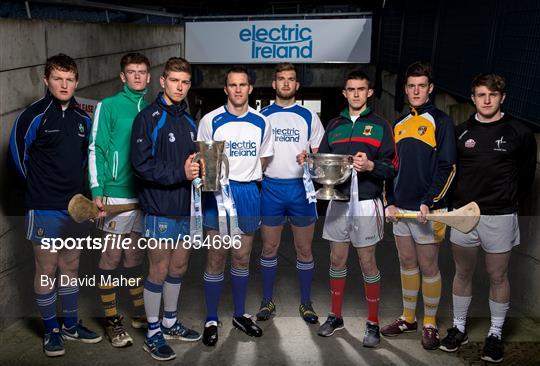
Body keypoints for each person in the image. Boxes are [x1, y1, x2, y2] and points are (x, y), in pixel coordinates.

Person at [8, 54, 102, 357]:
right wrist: (38, 192)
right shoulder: (33, 116)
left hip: (75, 208)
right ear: (46, 80)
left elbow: (89, 163)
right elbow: (16, 159)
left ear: (76, 82)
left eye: (70, 79)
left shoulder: (83, 119)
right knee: (46, 269)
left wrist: (86, 198)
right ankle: (51, 331)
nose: (64, 84)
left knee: (71, 266)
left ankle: (71, 325)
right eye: (58, 78)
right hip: (44, 207)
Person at [439, 74, 536, 363]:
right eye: (481, 95)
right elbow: (450, 174)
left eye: (492, 95)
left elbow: (527, 177)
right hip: (464, 217)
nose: (486, 100)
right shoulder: (460, 132)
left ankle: (494, 334)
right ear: (473, 97)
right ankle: (459, 328)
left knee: (498, 275)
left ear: (502, 97)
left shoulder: (520, 132)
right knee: (463, 273)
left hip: (500, 216)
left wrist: (508, 203)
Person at [297, 70, 397, 347]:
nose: (355, 93)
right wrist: (309, 160)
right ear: (344, 93)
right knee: (336, 260)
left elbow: (392, 167)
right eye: (350, 89)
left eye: (360, 89)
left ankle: (373, 323)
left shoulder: (381, 126)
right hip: (338, 201)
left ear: (369, 92)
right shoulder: (334, 125)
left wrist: (371, 166)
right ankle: (335, 316)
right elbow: (323, 164)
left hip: (366, 202)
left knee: (367, 262)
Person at [131, 57, 201, 361]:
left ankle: (171, 322)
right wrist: (179, 173)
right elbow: (141, 165)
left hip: (185, 208)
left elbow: (193, 166)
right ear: (162, 81)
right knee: (158, 269)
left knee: (179, 267)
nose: (180, 87)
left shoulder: (189, 121)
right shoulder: (148, 117)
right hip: (159, 207)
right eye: (175, 80)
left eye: (185, 82)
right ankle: (153, 331)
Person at [382, 61, 456, 350]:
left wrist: (431, 201)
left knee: (428, 265)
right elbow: (391, 167)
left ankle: (429, 324)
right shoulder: (399, 124)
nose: (415, 90)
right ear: (405, 89)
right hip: (402, 210)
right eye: (411, 86)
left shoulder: (441, 121)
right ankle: (409, 318)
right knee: (407, 263)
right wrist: (390, 202)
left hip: (429, 210)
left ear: (430, 88)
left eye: (421, 86)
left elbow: (447, 166)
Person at [197, 66, 274, 347]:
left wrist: (246, 177)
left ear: (250, 89)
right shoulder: (210, 120)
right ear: (226, 89)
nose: (238, 89)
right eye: (233, 85)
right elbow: (205, 163)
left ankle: (240, 315)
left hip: (248, 193)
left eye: (243, 84)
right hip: (218, 194)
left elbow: (264, 159)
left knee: (242, 258)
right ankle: (211, 318)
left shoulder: (261, 122)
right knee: (216, 258)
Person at [88, 52, 151, 348]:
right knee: (111, 257)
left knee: (134, 257)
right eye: (131, 72)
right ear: (122, 77)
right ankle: (112, 319)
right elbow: (96, 147)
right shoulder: (109, 106)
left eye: (142, 72)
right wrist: (97, 188)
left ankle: (138, 310)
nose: (137, 76)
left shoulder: (152, 110)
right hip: (114, 194)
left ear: (149, 77)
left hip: (144, 197)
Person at [256, 62, 325, 324]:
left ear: (297, 85)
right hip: (271, 188)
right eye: (281, 79)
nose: (286, 83)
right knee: (269, 247)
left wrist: (310, 158)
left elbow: (321, 156)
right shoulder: (262, 117)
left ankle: (306, 303)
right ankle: (266, 301)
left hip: (301, 189)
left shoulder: (309, 117)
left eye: (291, 79)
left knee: (304, 249)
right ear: (274, 84)